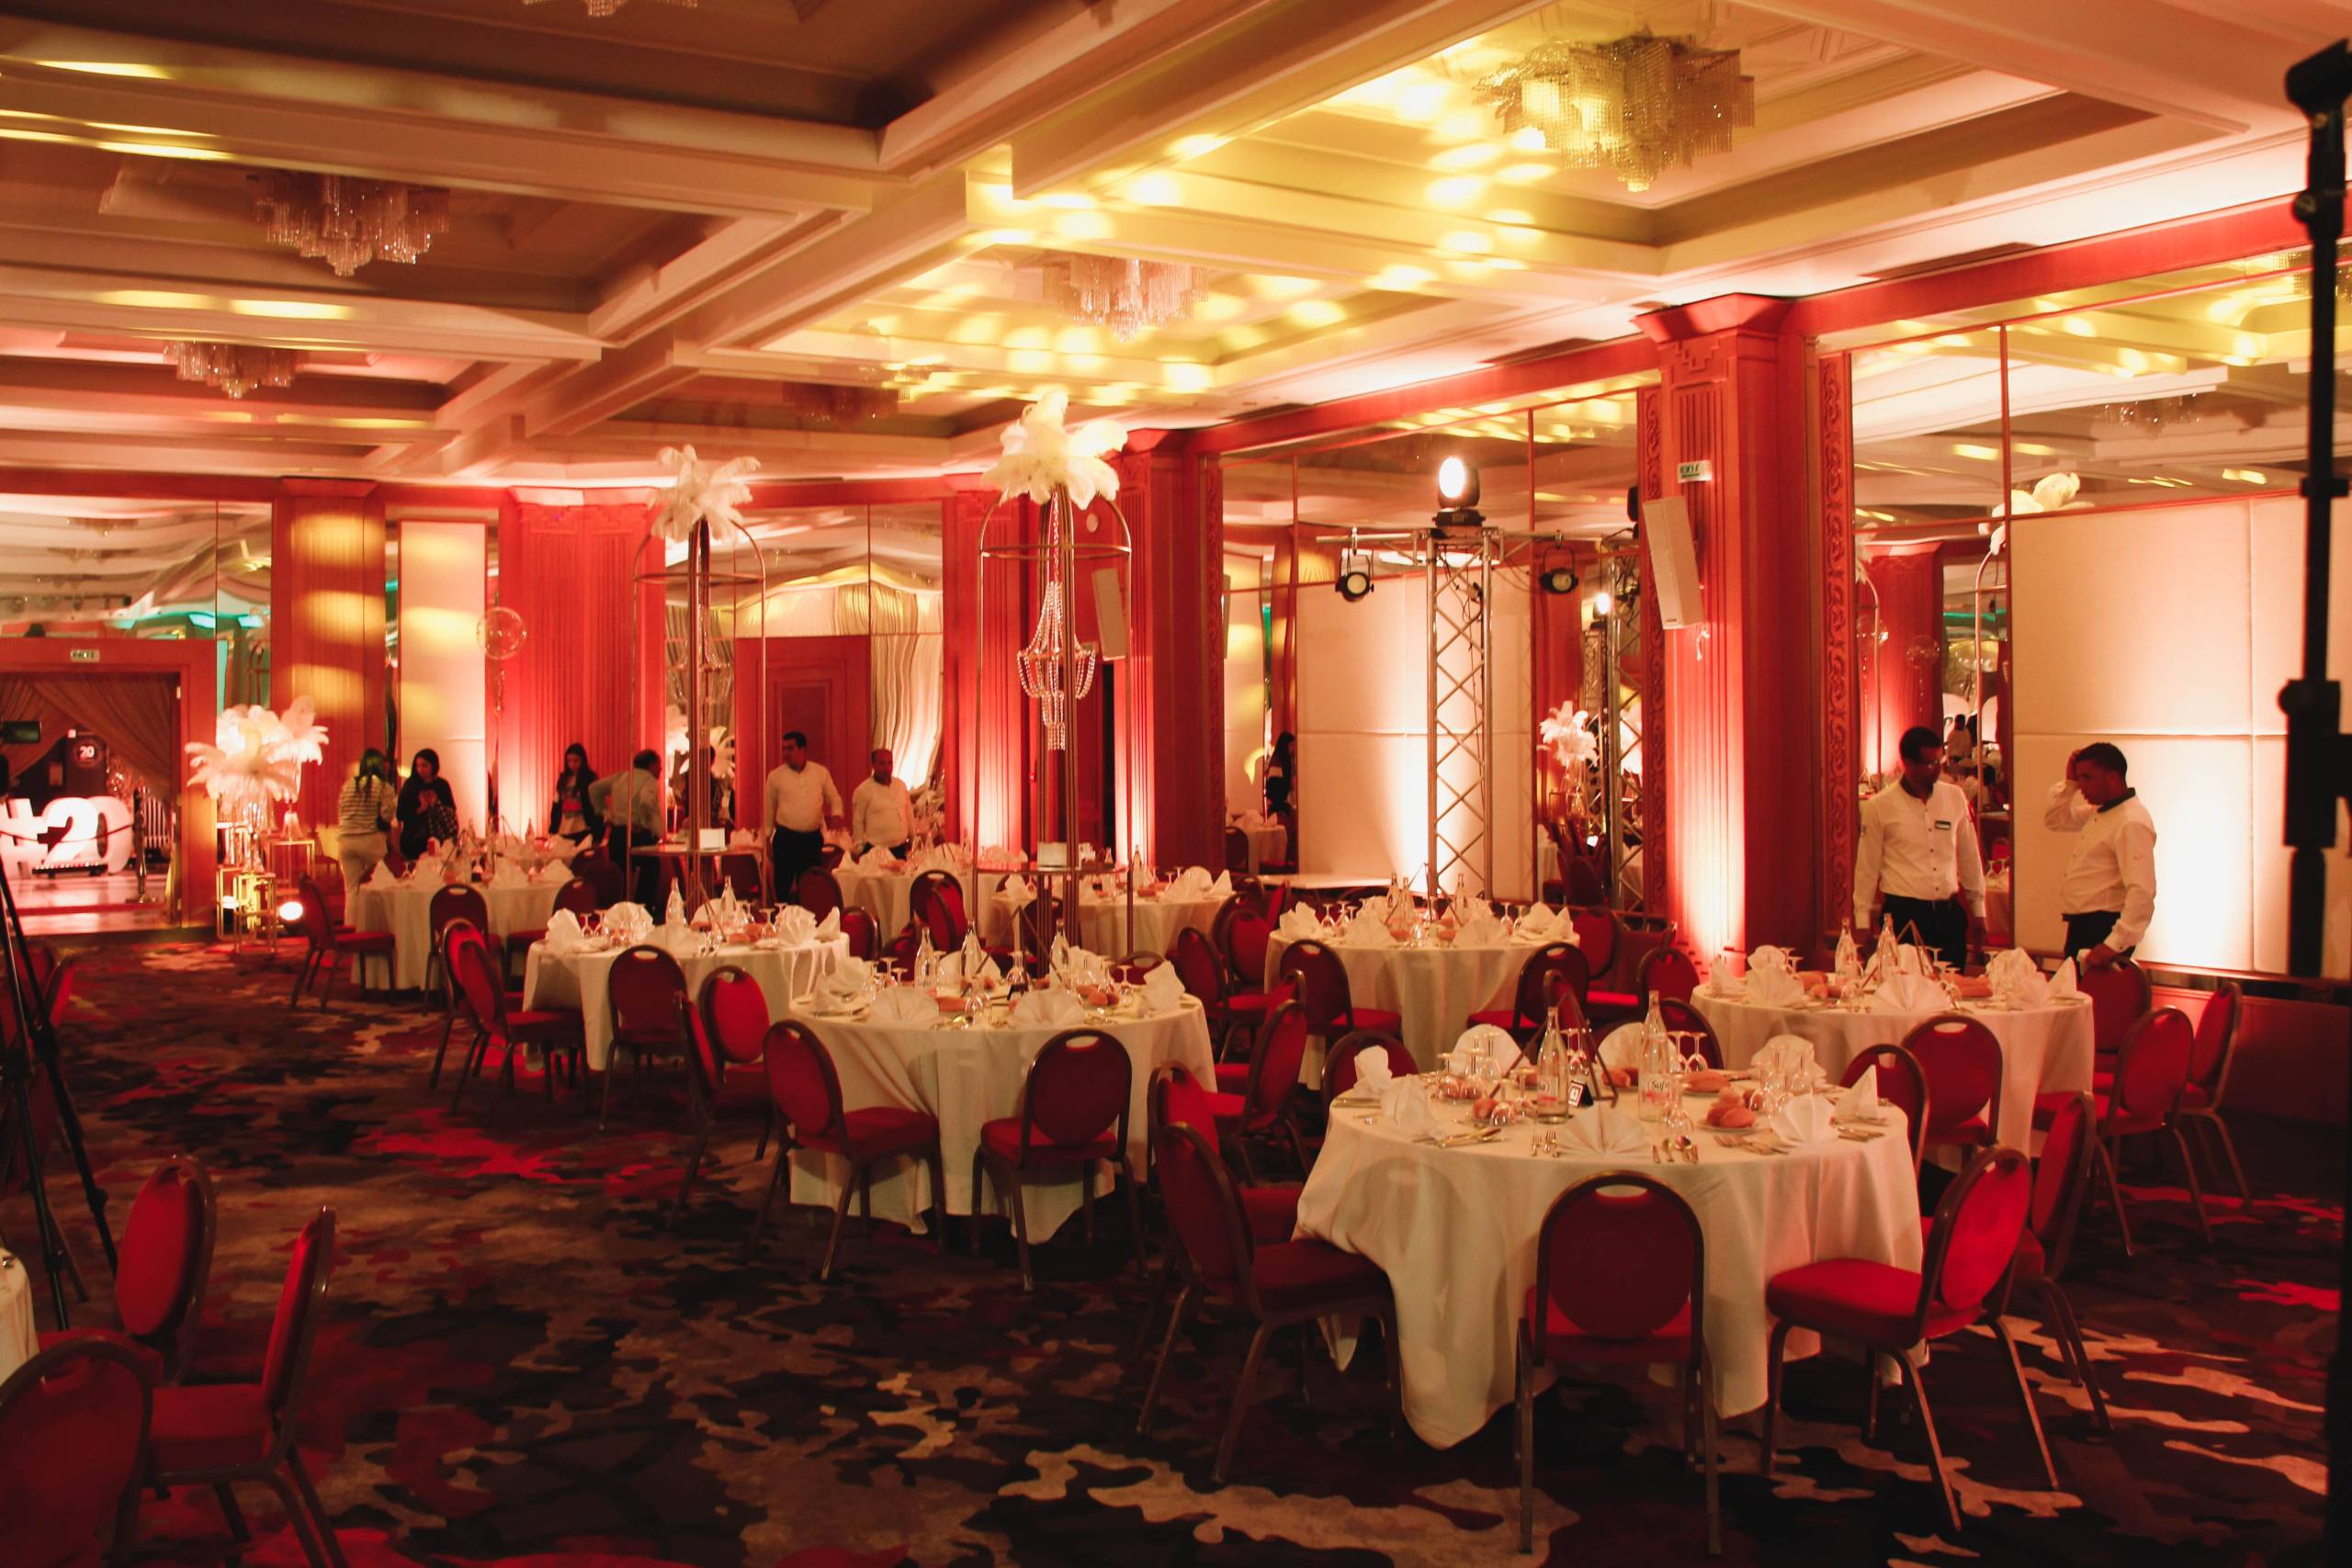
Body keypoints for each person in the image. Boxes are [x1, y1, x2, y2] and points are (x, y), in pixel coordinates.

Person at [1852, 724, 1986, 970]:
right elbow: (1866, 868)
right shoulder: (1879, 806)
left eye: (1939, 761)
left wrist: (1979, 910)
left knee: (1952, 986)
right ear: (1908, 763)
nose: (1937, 769)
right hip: (1904, 914)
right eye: (1929, 763)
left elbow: (1969, 857)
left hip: (1948, 915)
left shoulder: (1954, 797)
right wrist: (1862, 922)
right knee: (1904, 986)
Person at [2044, 742, 2156, 966]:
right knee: (2074, 987)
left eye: (2087, 777)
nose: (2081, 787)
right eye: (2079, 778)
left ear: (2112, 777)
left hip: (2103, 928)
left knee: (2090, 990)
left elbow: (2142, 891)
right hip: (2083, 926)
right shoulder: (2101, 811)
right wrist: (2069, 784)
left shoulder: (2130, 821)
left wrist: (2114, 944)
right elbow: (2056, 820)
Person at [763, 729, 843, 902]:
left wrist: (837, 814)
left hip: (811, 839)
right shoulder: (775, 776)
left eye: (790, 748)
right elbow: (769, 808)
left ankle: (807, 917)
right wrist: (767, 837)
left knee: (809, 886)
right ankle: (782, 915)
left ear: (803, 750)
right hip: (786, 838)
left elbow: (834, 797)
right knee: (782, 886)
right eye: (783, 749)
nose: (785, 753)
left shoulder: (820, 772)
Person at [590, 749, 664, 906]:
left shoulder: (621, 777)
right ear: (651, 765)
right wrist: (645, 823)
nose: (661, 769)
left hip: (617, 833)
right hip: (639, 835)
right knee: (649, 873)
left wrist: (604, 812)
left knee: (620, 878)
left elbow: (594, 788)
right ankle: (643, 911)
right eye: (659, 765)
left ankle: (620, 912)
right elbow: (646, 801)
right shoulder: (649, 780)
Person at [335, 749, 396, 898]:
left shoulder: (349, 784)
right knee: (381, 888)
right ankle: (375, 915)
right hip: (371, 840)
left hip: (346, 841)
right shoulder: (383, 786)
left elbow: (341, 810)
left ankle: (354, 915)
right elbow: (387, 816)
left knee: (351, 890)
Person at [393, 748, 458, 861]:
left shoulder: (442, 785)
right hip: (414, 841)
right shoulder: (410, 785)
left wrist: (435, 804)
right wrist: (420, 809)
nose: (420, 769)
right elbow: (400, 814)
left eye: (424, 765)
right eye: (417, 766)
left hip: (439, 839)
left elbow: (451, 813)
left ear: (433, 766)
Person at [851, 747, 913, 859]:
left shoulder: (901, 786)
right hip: (876, 851)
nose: (886, 768)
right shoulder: (863, 790)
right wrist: (859, 848)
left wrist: (913, 838)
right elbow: (858, 821)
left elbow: (909, 814)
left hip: (900, 849)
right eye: (882, 763)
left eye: (889, 763)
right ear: (873, 765)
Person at [548, 743, 601, 845]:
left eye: (576, 760)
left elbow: (596, 806)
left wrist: (597, 832)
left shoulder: (589, 778)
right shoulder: (563, 779)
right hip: (563, 829)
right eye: (569, 761)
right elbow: (556, 804)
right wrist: (552, 829)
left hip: (583, 829)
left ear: (582, 760)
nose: (572, 765)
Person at [1263, 731, 1295, 816]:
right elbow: (1275, 791)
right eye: (1291, 746)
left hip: (1281, 806)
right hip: (1277, 809)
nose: (1293, 749)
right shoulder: (1277, 761)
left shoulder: (1287, 760)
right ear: (1284, 746)